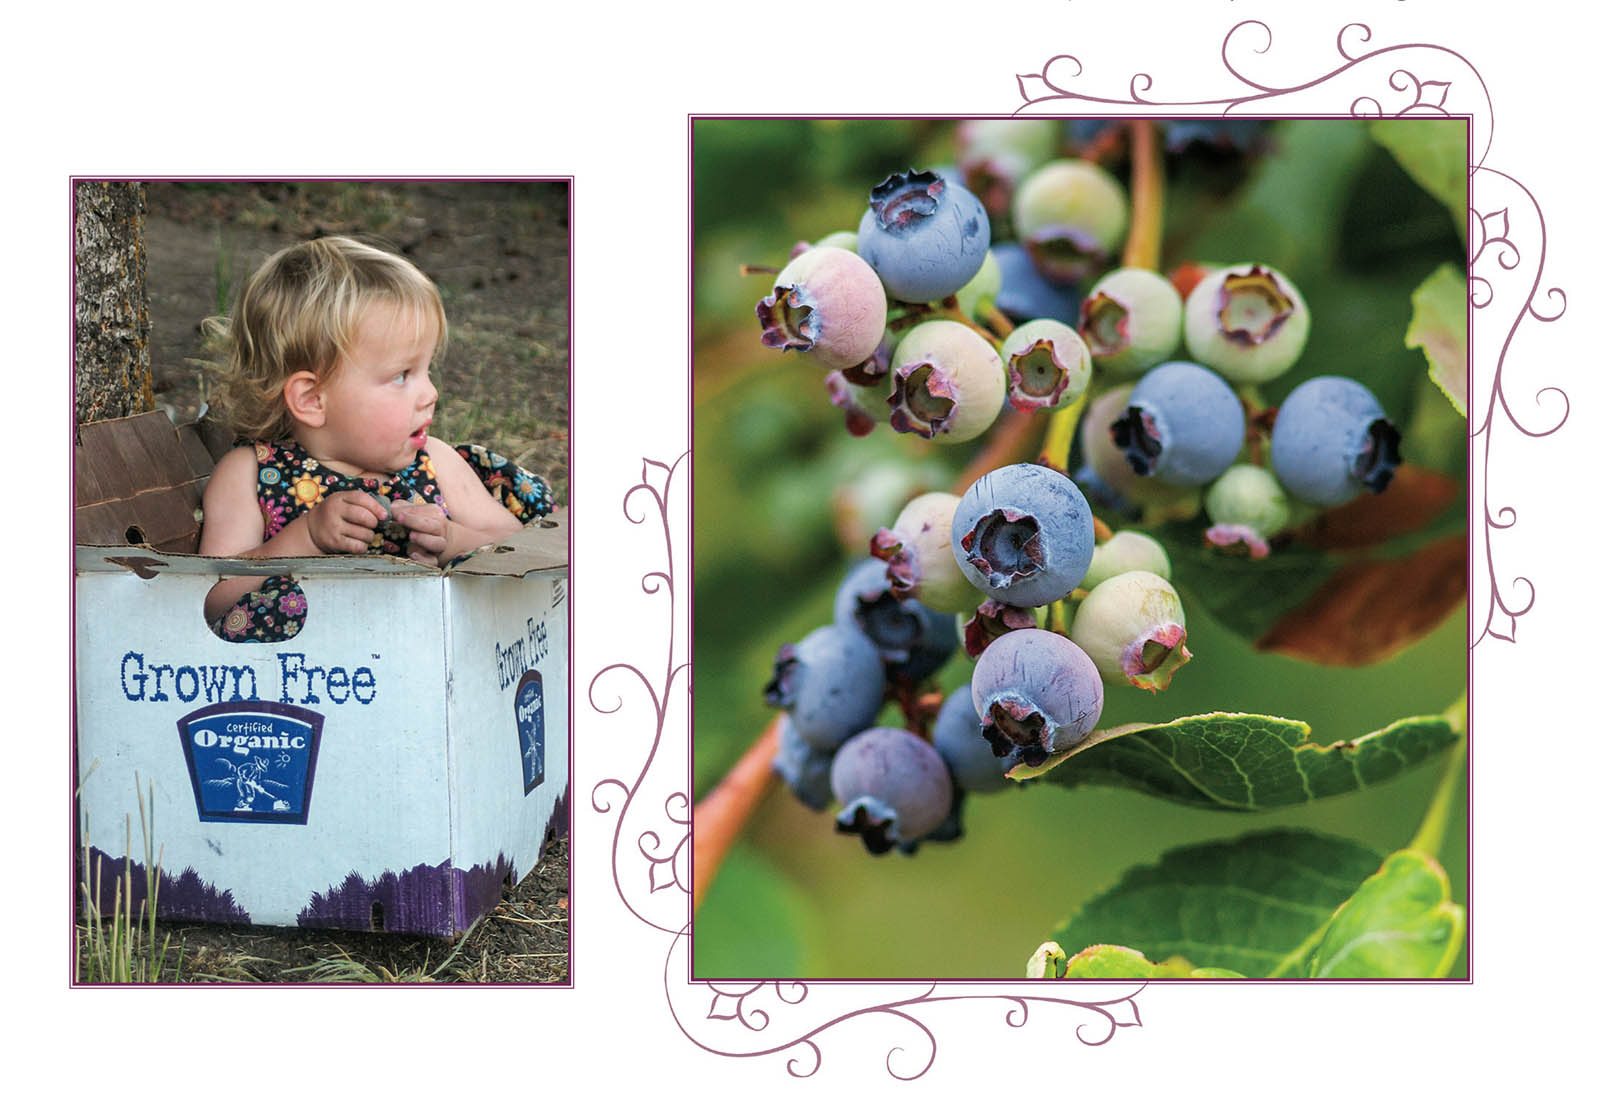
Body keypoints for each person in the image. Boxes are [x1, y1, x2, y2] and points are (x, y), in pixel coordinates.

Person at [200, 235, 552, 641]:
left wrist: (452, 539)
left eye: (427, 370)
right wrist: (305, 538)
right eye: (402, 375)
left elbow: (520, 549)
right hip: (310, 679)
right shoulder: (250, 473)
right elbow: (210, 597)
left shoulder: (435, 462)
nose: (431, 393)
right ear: (313, 399)